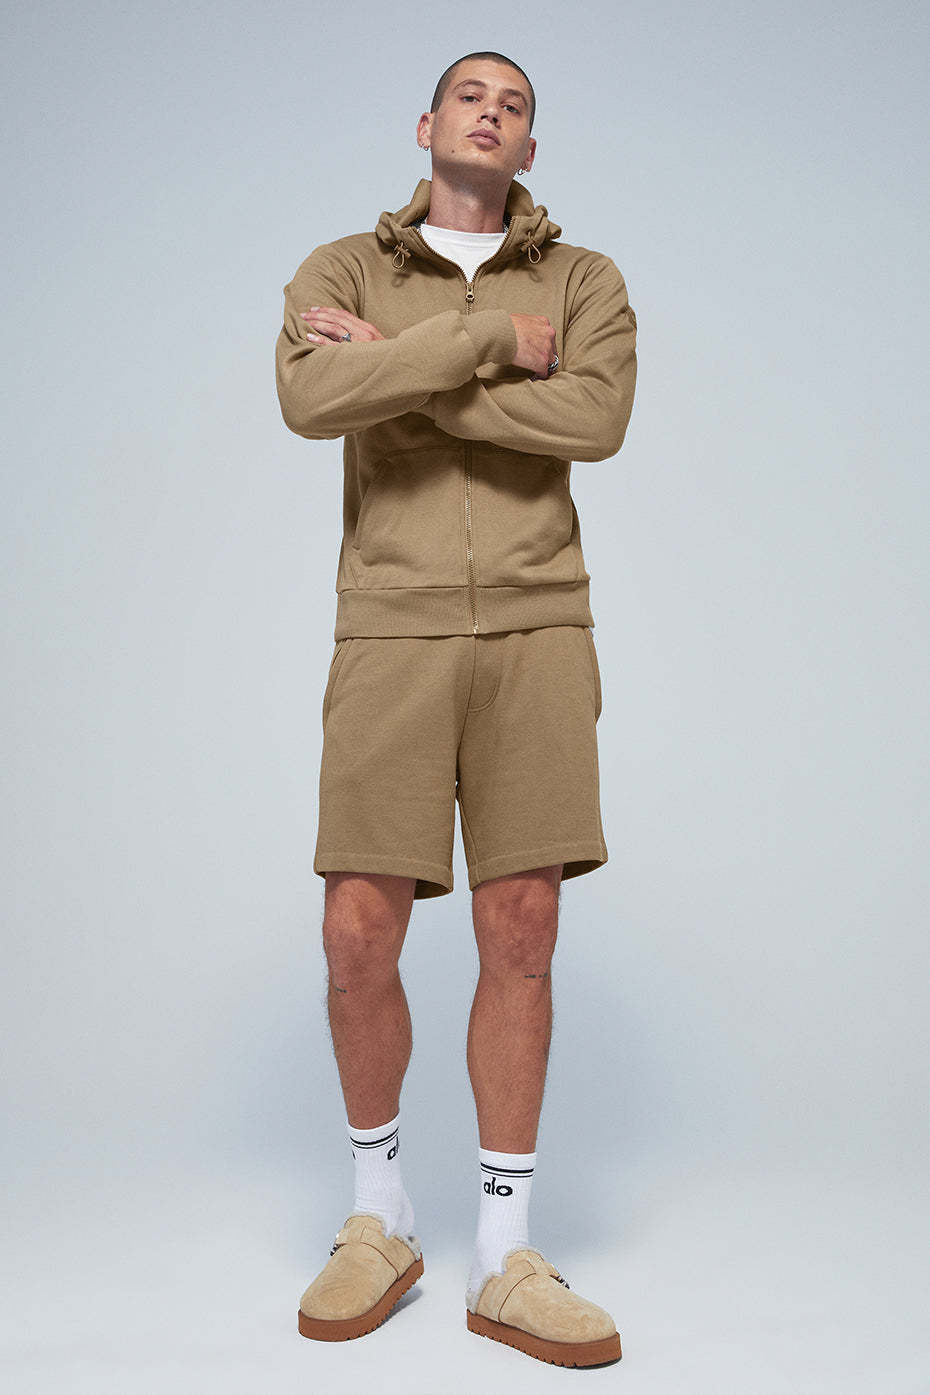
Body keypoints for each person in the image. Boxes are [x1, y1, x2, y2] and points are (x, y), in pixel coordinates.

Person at [275, 50, 637, 1367]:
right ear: (426, 123)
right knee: (356, 930)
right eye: (471, 96)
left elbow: (593, 419)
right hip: (392, 626)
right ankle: (380, 1219)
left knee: (522, 926)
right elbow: (312, 398)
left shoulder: (582, 280)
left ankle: (503, 1253)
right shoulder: (340, 269)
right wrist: (486, 342)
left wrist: (408, 373)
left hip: (539, 628)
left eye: (516, 104)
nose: (492, 112)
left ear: (530, 147)